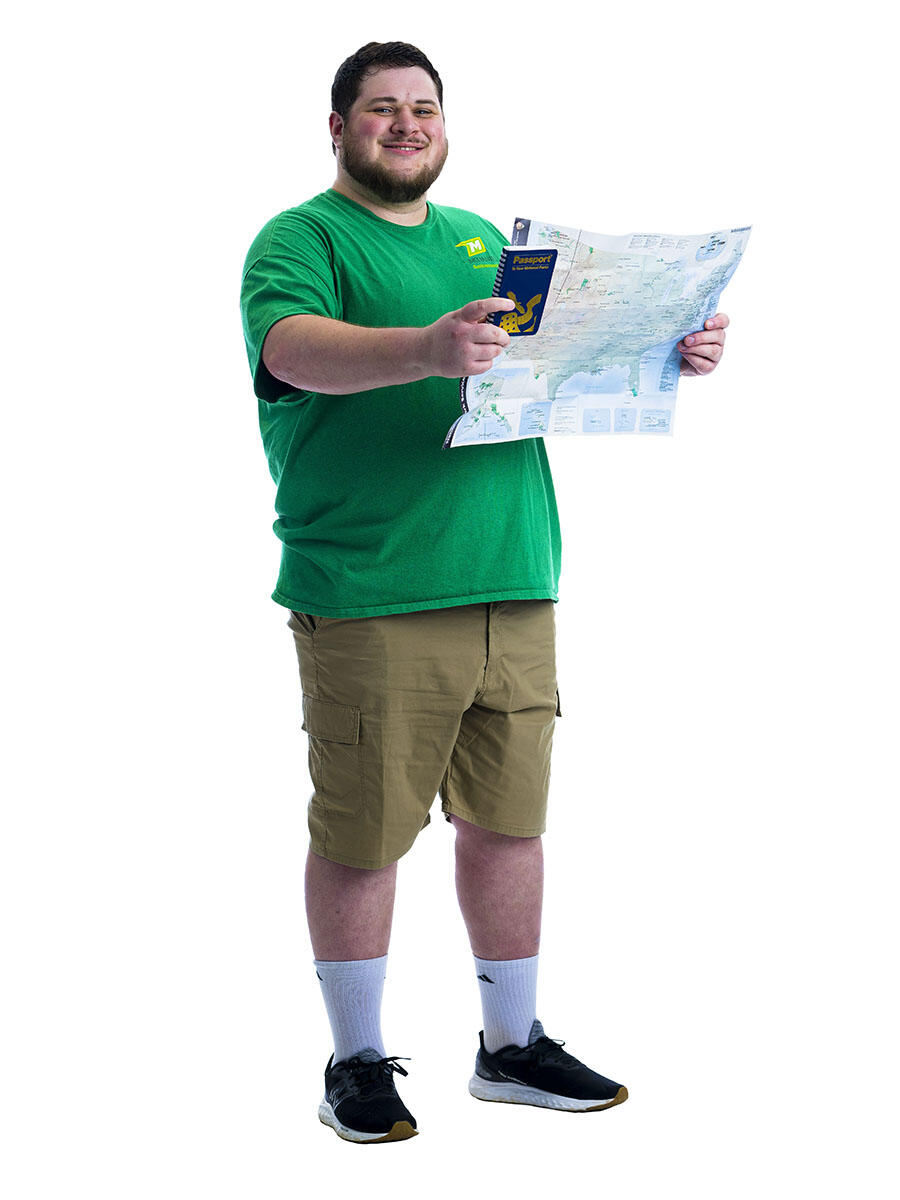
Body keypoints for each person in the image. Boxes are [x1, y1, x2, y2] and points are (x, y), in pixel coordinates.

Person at [240, 41, 729, 1145]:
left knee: (511, 825)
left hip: (512, 570)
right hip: (371, 581)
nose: (406, 125)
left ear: (444, 127)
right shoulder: (301, 238)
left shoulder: (481, 243)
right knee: (365, 834)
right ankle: (355, 1063)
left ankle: (510, 1047)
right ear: (337, 127)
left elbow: (552, 362)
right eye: (381, 109)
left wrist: (669, 347)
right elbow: (292, 351)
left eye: (424, 109)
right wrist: (423, 345)